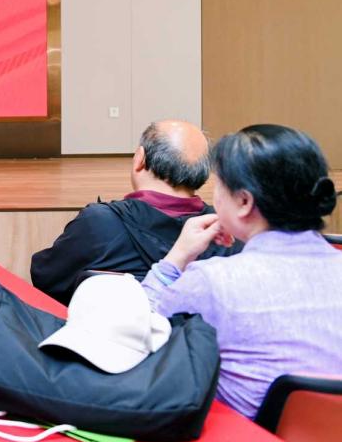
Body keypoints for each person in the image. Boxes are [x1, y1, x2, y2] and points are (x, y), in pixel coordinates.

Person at [142, 124, 342, 420]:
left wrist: (178, 256)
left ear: (244, 202)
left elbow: (138, 331)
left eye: (218, 185)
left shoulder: (213, 280)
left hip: (252, 441)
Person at [30, 120, 239, 304]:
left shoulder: (99, 224)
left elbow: (46, 278)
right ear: (204, 173)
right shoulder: (227, 233)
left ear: (139, 159)